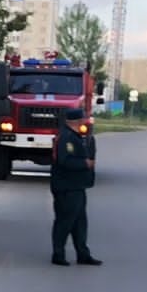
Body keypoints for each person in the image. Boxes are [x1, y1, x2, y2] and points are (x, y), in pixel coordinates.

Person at [51, 106, 101, 266]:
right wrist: (85, 163)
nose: (84, 122)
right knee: (64, 222)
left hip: (77, 186)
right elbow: (65, 161)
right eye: (82, 120)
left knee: (80, 223)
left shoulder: (75, 136)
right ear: (76, 121)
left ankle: (83, 254)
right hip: (66, 187)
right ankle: (58, 254)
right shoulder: (67, 138)